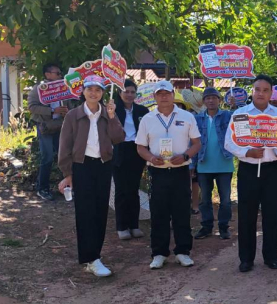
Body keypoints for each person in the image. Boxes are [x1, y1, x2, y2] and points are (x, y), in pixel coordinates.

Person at [225, 75, 277, 273]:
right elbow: (229, 142)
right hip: (248, 169)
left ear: (271, 93)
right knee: (246, 216)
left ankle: (271, 256)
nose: (261, 93)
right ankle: (246, 259)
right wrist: (246, 152)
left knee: (273, 215)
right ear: (252, 91)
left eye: (265, 90)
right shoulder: (241, 114)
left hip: (273, 170)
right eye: (258, 89)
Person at [56, 76, 124, 278]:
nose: (94, 93)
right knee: (85, 212)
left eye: (98, 90)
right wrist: (67, 174)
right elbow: (65, 145)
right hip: (81, 166)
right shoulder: (73, 115)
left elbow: (118, 138)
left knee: (101, 211)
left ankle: (95, 256)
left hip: (103, 166)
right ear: (83, 92)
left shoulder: (108, 113)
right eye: (90, 89)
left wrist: (112, 117)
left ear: (103, 93)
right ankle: (90, 258)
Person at [135, 80, 201, 269]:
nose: (164, 97)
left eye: (167, 93)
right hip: (158, 171)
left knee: (181, 211)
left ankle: (183, 251)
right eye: (160, 94)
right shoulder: (147, 119)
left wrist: (186, 155)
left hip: (181, 170)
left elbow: (197, 143)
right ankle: (159, 253)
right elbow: (140, 146)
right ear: (155, 97)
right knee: (158, 213)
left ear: (173, 94)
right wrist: (150, 157)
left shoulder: (187, 116)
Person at [194, 87, 234, 241]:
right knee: (205, 199)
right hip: (204, 164)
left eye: (214, 97)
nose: (211, 100)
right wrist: (192, 165)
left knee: (225, 200)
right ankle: (206, 227)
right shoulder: (197, 118)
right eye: (208, 98)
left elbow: (241, 119)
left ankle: (224, 228)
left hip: (224, 164)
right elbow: (193, 141)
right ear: (204, 101)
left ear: (220, 100)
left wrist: (235, 105)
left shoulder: (227, 116)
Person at [113, 79, 150, 240]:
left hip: (137, 150)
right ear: (119, 93)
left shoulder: (142, 110)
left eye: (132, 92)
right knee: (121, 190)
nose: (129, 95)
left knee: (134, 190)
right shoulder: (113, 109)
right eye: (125, 91)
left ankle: (134, 225)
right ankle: (122, 226)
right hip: (119, 150)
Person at [29, 62, 70, 201]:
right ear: (47, 74)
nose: (60, 76)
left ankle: (67, 187)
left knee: (64, 157)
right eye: (57, 73)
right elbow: (32, 107)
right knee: (47, 157)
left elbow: (69, 104)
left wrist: (67, 112)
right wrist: (52, 111)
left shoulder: (63, 88)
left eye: (60, 73)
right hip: (45, 127)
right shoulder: (38, 89)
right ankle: (43, 188)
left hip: (61, 126)